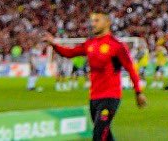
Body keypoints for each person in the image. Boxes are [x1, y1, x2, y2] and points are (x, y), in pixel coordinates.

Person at [48, 12, 147, 141]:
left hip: (111, 97)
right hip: (94, 97)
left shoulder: (117, 46)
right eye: (92, 21)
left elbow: (131, 69)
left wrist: (138, 92)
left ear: (107, 23)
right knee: (105, 135)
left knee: (98, 135)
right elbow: (69, 53)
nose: (93, 24)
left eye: (97, 20)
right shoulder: (90, 44)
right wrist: (54, 44)